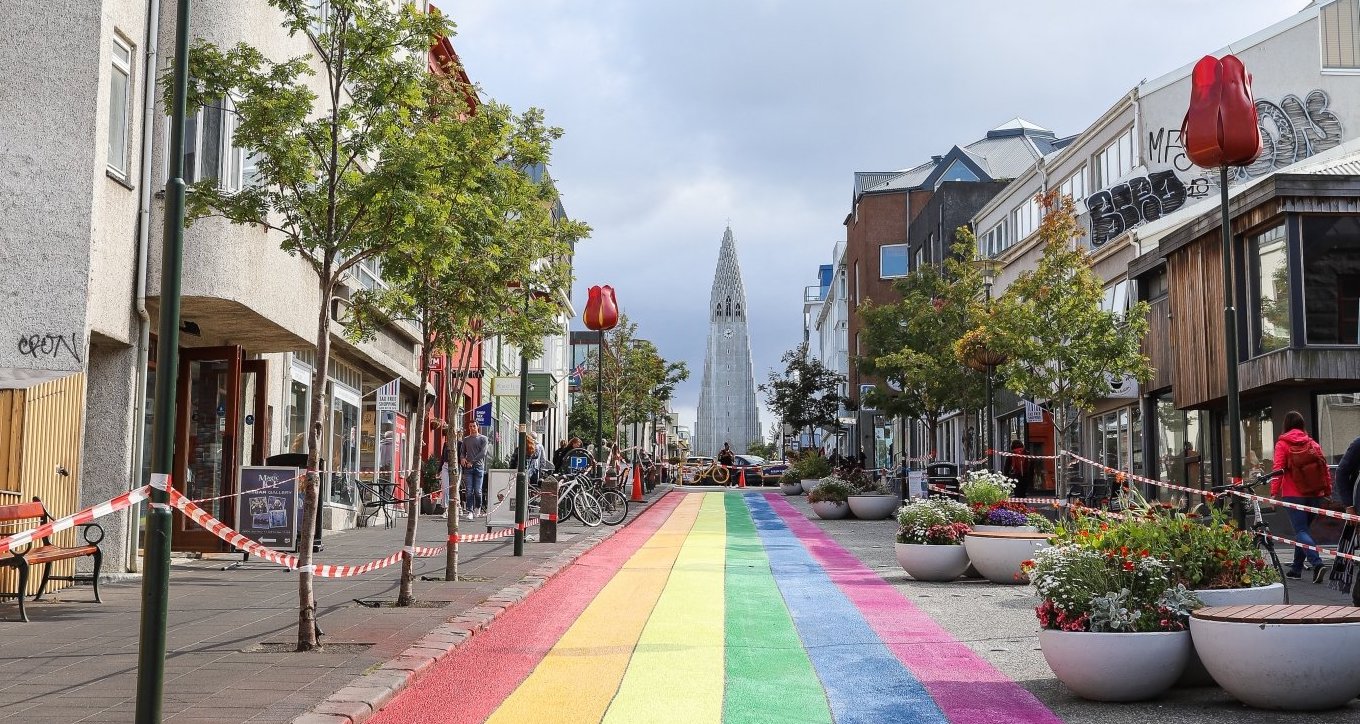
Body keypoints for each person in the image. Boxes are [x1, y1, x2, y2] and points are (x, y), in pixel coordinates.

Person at [1271, 410, 1332, 583]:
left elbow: (1278, 470)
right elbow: (1324, 468)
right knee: (1304, 531)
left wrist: (1274, 493)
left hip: (1293, 495)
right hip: (1315, 495)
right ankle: (1296, 569)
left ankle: (1317, 563)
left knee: (1301, 531)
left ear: (1286, 425)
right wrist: (1327, 491)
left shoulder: (1283, 444)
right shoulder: (1312, 443)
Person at [459, 423, 489, 520]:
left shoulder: (483, 438)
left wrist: (472, 461)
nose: (472, 428)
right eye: (470, 426)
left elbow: (483, 453)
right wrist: (462, 459)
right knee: (469, 490)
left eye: (474, 426)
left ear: (477, 427)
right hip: (468, 468)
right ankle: (469, 511)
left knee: (477, 491)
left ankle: (478, 507)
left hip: (479, 467)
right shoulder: (466, 439)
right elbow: (462, 452)